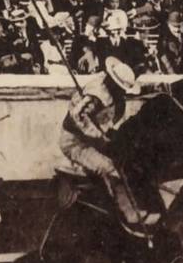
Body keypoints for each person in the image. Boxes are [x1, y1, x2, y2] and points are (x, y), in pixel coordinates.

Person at [58, 57, 153, 228]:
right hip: (74, 142)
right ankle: (128, 213)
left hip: (94, 141)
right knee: (110, 168)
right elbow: (77, 117)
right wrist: (100, 137)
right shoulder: (96, 93)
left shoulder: (113, 95)